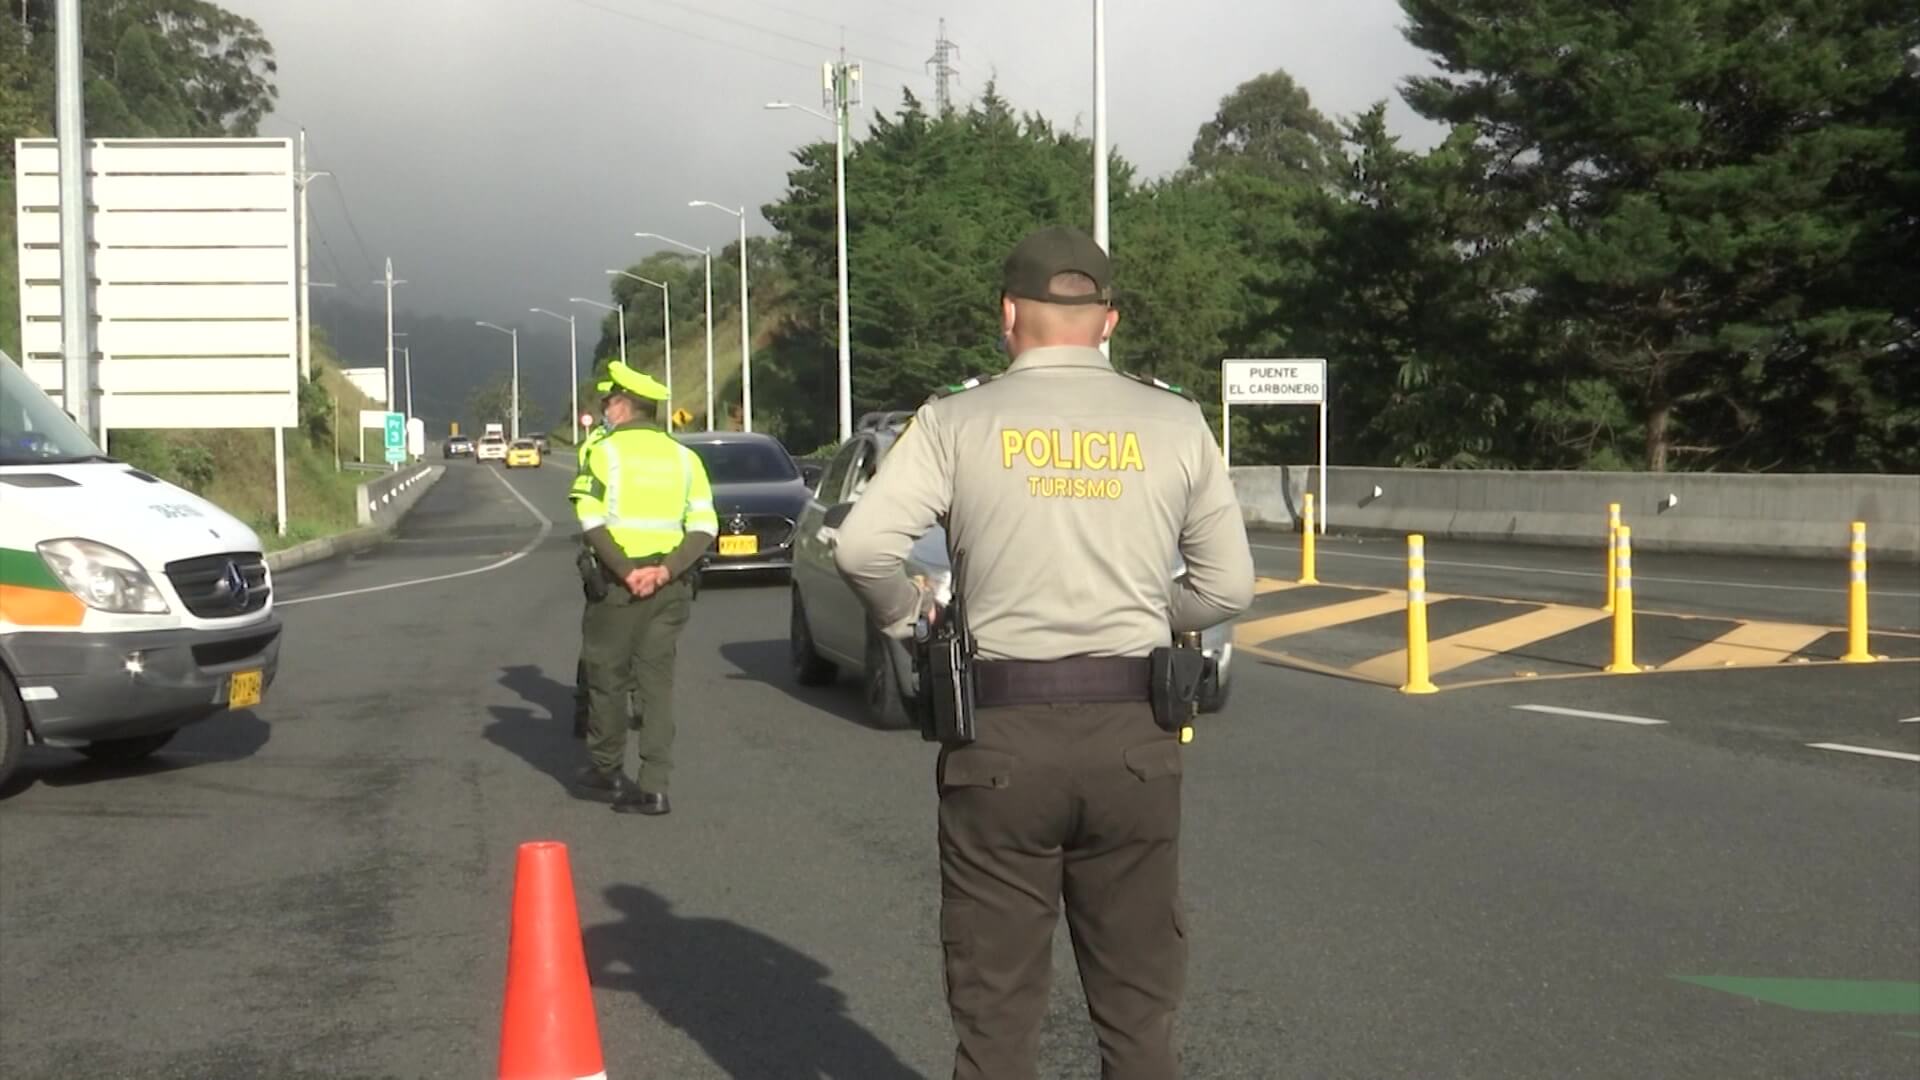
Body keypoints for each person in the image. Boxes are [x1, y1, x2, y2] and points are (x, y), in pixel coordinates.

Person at [833, 225, 1254, 1079]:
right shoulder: (1173, 421)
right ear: (1109, 322)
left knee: (996, 1022)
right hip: (1135, 736)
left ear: (1007, 313)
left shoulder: (957, 420)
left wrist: (911, 617)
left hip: (1000, 740)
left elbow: (861, 549)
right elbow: (1226, 589)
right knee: (1138, 1017)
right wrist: (1143, 607)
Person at [570, 361, 717, 815]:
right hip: (669, 589)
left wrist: (625, 570)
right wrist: (665, 571)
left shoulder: (605, 453)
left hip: (618, 587)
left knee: (608, 675)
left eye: (609, 403)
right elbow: (705, 527)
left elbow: (590, 518)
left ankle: (607, 770)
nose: (605, 411)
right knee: (656, 684)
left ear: (624, 405)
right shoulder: (685, 458)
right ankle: (654, 786)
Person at [571, 375, 616, 739]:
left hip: (638, 554)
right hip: (605, 554)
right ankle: (585, 709)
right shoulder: (595, 446)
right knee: (597, 640)